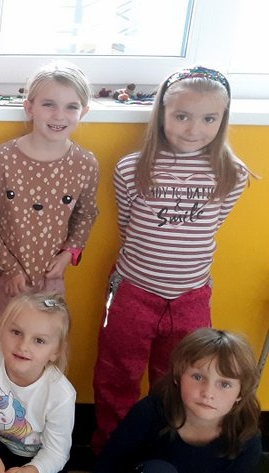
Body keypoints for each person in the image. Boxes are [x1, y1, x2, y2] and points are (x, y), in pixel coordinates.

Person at [92, 66, 251, 451]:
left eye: (209, 119)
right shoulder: (132, 168)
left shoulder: (231, 173)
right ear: (162, 112)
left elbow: (213, 226)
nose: (194, 129)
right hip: (132, 292)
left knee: (183, 378)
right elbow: (128, 225)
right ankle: (111, 448)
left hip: (191, 297)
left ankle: (165, 450)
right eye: (182, 116)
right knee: (117, 373)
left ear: (223, 119)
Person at [0, 61, 99, 346]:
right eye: (48, 104)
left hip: (48, 279)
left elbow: (86, 215)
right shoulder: (3, 158)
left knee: (40, 347)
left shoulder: (85, 164)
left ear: (83, 112)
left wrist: (68, 255)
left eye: (71, 107)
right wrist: (9, 268)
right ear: (29, 108)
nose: (59, 115)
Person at [95, 328, 261, 472]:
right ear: (177, 377)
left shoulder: (246, 441)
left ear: (240, 393)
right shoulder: (148, 413)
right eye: (197, 377)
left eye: (225, 384)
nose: (208, 393)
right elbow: (107, 465)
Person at [0, 293, 76, 473]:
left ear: (55, 352)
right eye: (16, 332)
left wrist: (31, 470)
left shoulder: (62, 394)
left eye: (39, 340)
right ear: (2, 329)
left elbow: (56, 452)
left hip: (38, 458)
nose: (23, 346)